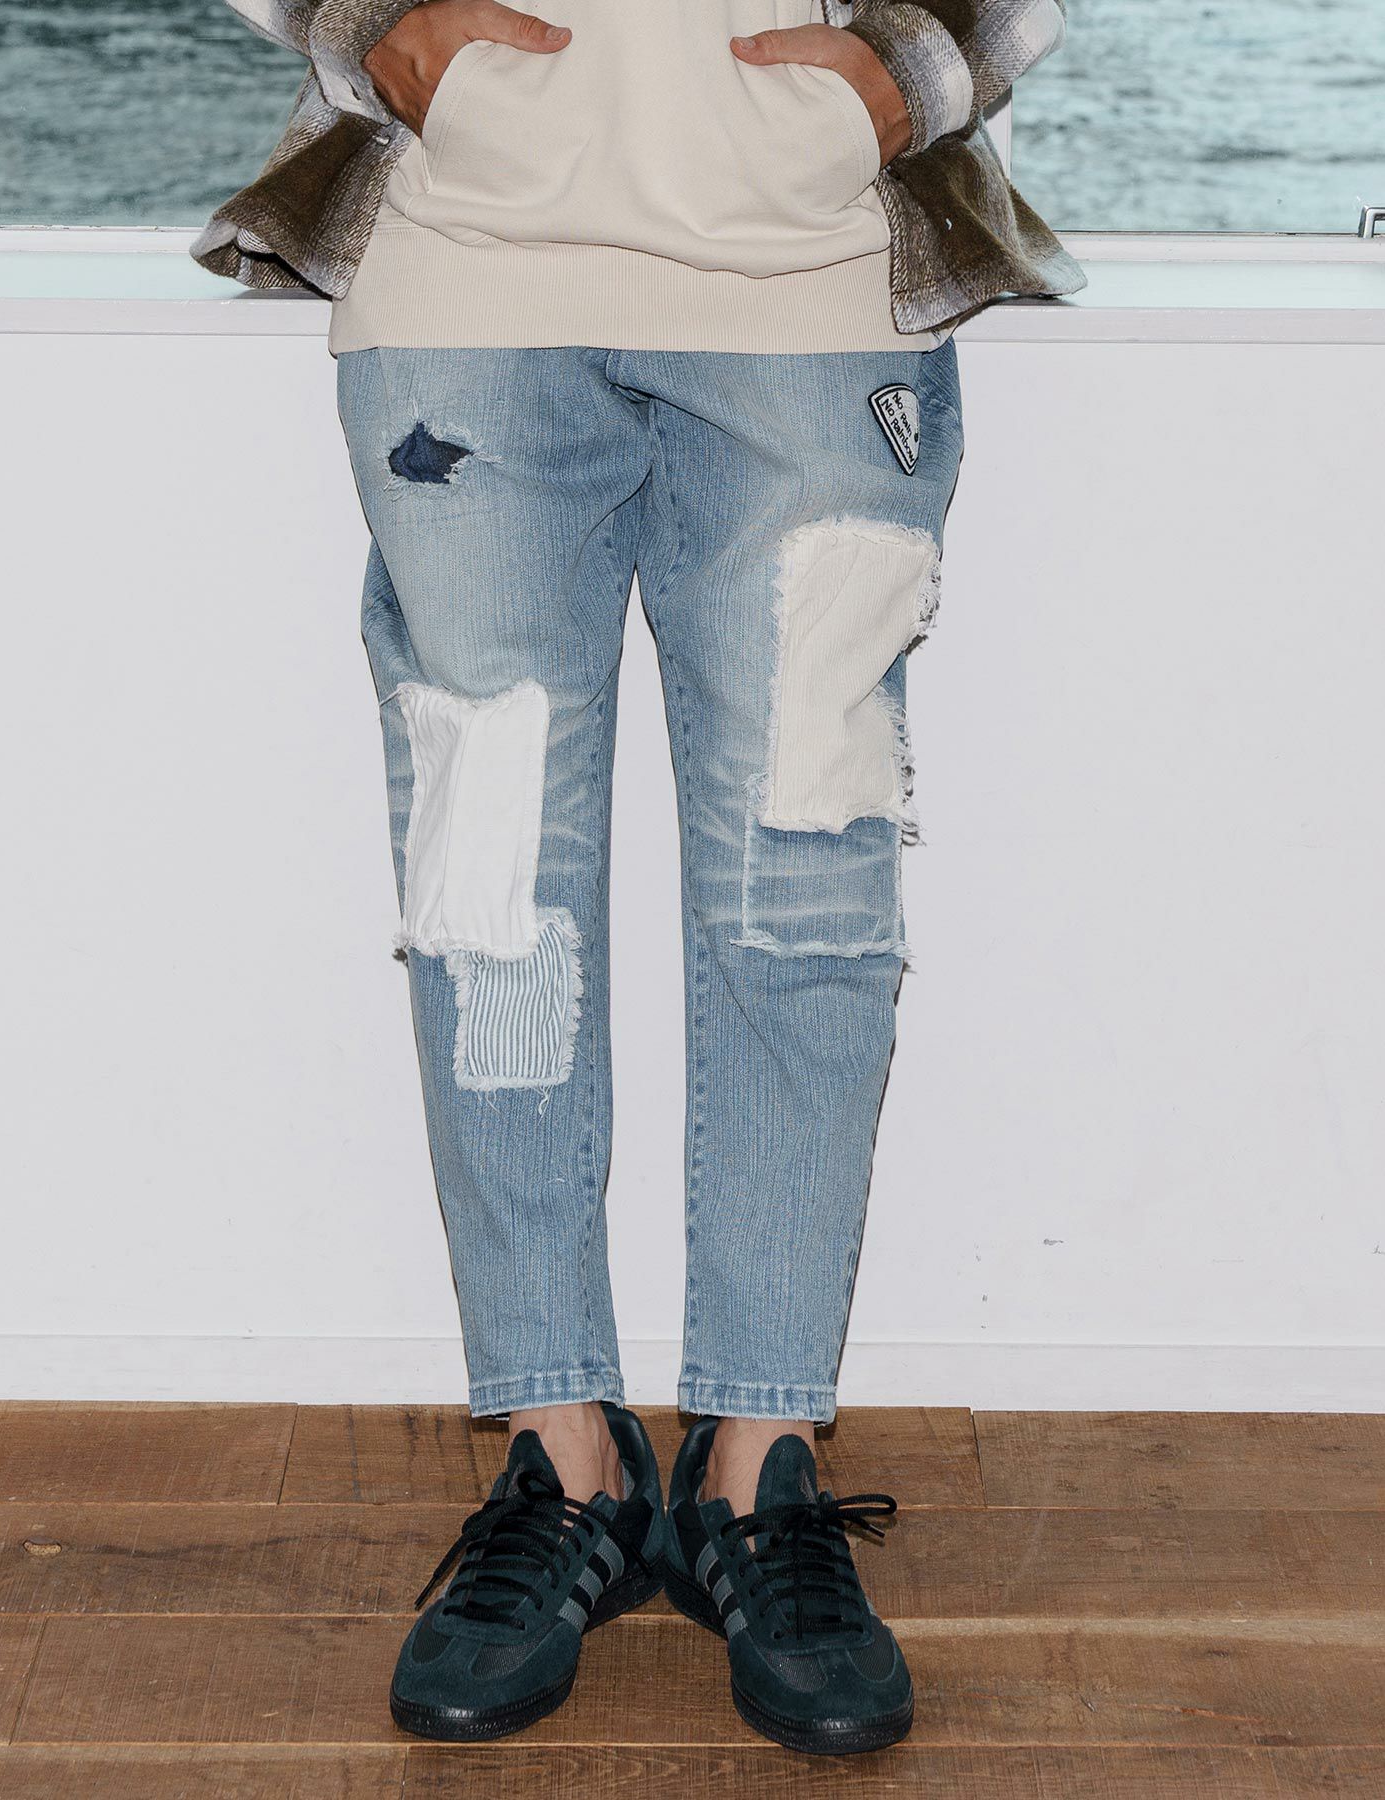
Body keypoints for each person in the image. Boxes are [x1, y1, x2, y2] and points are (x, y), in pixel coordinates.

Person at [196, 0, 1081, 1756]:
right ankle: (563, 1455)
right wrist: (364, 24)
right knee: (490, 892)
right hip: (466, 278)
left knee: (807, 889)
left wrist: (918, 65)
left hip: (816, 284)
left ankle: (760, 1464)